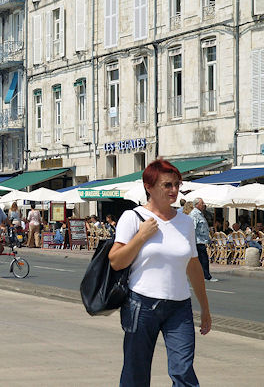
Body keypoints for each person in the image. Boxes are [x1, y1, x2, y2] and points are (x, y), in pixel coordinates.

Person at [108, 159, 211, 386]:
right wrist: (141, 237)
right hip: (141, 305)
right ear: (149, 187)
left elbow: (193, 265)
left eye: (177, 184)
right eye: (167, 185)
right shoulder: (133, 218)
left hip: (179, 307)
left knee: (183, 372)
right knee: (136, 372)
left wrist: (205, 308)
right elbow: (116, 261)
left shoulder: (185, 222)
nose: (174, 190)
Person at [187, 198, 217, 282]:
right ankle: (206, 276)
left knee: (201, 259)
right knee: (203, 259)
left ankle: (202, 276)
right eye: (202, 203)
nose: (204, 204)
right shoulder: (195, 214)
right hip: (197, 241)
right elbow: (193, 228)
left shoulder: (200, 214)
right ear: (197, 205)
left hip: (201, 240)